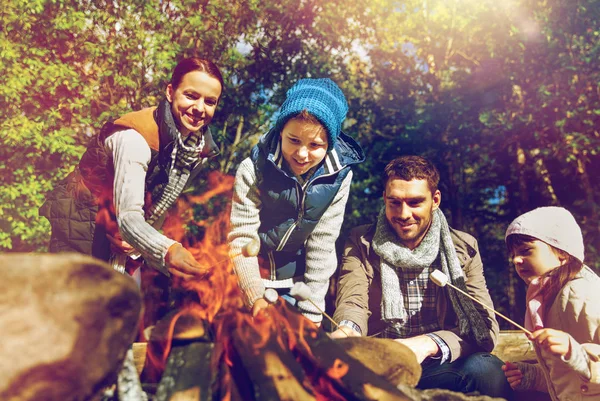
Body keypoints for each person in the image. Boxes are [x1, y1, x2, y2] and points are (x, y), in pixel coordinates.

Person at [331, 155, 511, 398]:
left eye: (415, 202)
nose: (404, 214)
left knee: (486, 370)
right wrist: (346, 331)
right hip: (380, 364)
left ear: (435, 200)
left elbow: (484, 327)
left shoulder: (464, 247)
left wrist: (427, 344)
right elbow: (352, 301)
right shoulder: (360, 241)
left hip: (439, 365)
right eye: (394, 202)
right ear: (384, 198)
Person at [40, 57, 224, 281]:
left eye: (210, 101)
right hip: (82, 228)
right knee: (75, 309)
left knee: (123, 309)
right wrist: (167, 250)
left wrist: (142, 245)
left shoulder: (195, 152)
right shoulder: (135, 139)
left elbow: (157, 207)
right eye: (191, 96)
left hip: (125, 241)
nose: (199, 108)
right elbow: (128, 217)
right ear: (170, 92)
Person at [227, 78, 364, 324]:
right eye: (293, 140)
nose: (302, 154)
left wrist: (311, 315)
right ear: (281, 131)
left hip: (297, 286)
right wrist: (255, 296)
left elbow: (322, 245)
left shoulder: (339, 177)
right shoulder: (253, 169)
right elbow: (242, 239)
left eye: (315, 145)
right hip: (247, 279)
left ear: (330, 144)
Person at [502, 206, 600, 400]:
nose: (516, 260)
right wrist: (535, 376)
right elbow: (570, 376)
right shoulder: (548, 300)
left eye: (525, 251)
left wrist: (576, 353)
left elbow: (582, 361)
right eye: (514, 254)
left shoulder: (581, 293)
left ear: (562, 254)